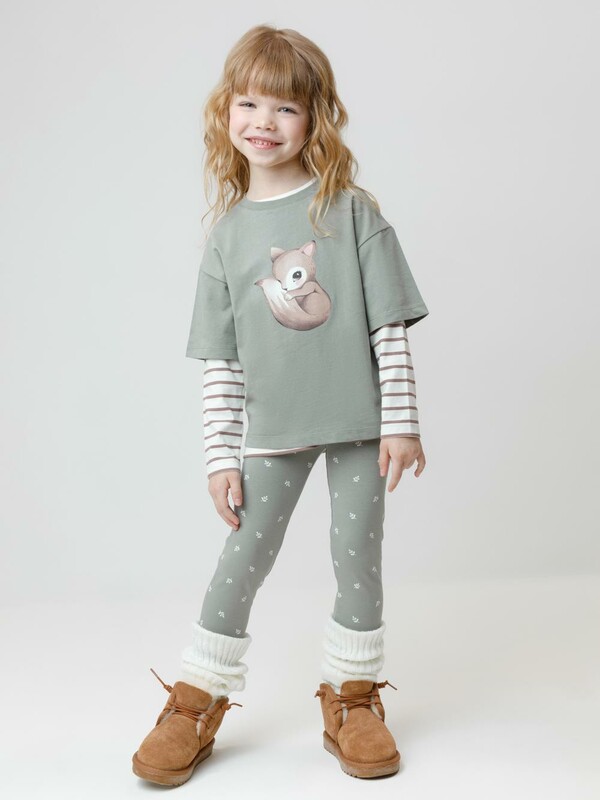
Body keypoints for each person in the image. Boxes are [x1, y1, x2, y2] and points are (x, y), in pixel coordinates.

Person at [132, 24, 429, 786]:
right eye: (250, 103)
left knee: (357, 553)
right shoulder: (228, 238)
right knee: (242, 560)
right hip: (271, 431)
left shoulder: (351, 211)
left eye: (286, 108)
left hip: (360, 424)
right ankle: (197, 697)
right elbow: (223, 364)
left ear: (314, 119)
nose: (264, 121)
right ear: (226, 111)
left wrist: (401, 422)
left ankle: (353, 697)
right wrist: (219, 457)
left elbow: (388, 325)